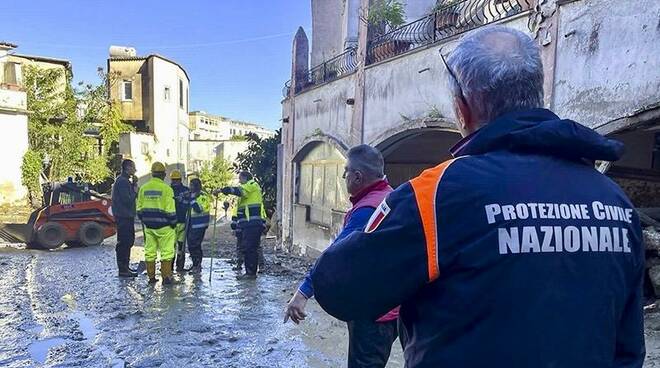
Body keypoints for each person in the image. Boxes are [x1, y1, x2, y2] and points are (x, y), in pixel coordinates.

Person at [311, 25, 645, 367]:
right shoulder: (615, 203)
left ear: (462, 108)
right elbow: (629, 348)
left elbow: (337, 288)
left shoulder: (438, 194)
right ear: (536, 92)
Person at [284, 144, 402, 368]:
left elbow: (334, 257)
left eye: (345, 171)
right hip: (395, 304)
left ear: (357, 177)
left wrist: (302, 293)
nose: (342, 175)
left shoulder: (367, 210)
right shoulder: (390, 197)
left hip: (373, 311)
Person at [214, 172, 266, 279]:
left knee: (250, 248)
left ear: (245, 178)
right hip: (248, 224)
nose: (239, 181)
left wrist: (222, 190)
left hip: (252, 223)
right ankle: (250, 272)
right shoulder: (249, 190)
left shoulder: (251, 186)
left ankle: (251, 273)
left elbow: (238, 191)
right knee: (248, 248)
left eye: (240, 179)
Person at [137, 162, 177, 284]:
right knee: (167, 252)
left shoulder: (143, 188)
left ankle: (151, 278)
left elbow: (139, 210)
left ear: (152, 174)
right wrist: (173, 223)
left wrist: (145, 221)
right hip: (165, 227)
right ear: (164, 175)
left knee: (150, 252)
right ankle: (166, 278)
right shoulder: (167, 189)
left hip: (149, 226)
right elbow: (171, 211)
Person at [111, 159, 138, 277]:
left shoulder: (125, 181)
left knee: (128, 241)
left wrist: (133, 184)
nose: (135, 170)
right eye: (133, 167)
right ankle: (123, 269)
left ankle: (125, 267)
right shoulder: (122, 182)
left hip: (126, 215)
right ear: (127, 168)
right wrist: (135, 191)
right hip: (123, 216)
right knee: (124, 242)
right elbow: (127, 199)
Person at [187, 178, 211, 273]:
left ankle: (197, 265)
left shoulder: (202, 196)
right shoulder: (191, 195)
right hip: (192, 224)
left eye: (191, 185)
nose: (190, 187)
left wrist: (192, 199)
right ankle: (195, 263)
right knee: (191, 245)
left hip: (199, 224)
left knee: (194, 245)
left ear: (196, 186)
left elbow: (198, 209)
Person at [170, 170, 190, 272]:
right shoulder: (168, 190)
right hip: (173, 222)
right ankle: (171, 266)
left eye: (176, 180)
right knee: (172, 246)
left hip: (181, 221)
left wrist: (181, 200)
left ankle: (180, 266)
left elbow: (188, 204)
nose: (175, 182)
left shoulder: (185, 190)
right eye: (174, 180)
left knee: (181, 246)